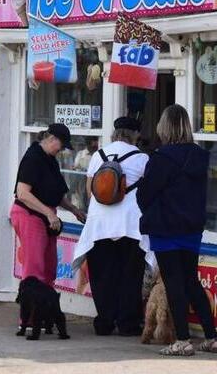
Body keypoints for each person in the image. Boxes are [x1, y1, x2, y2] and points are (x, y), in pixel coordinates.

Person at [137, 104, 217, 356]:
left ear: (165, 126)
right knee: (191, 281)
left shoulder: (161, 159)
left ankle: (182, 340)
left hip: (166, 227)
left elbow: (145, 195)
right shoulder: (200, 156)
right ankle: (212, 337)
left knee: (174, 282)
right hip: (193, 227)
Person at [72, 117, 153, 336]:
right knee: (130, 275)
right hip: (130, 225)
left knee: (102, 275)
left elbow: (90, 191)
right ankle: (127, 324)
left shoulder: (99, 155)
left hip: (100, 225)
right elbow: (149, 192)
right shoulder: (142, 158)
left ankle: (104, 322)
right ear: (135, 135)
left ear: (115, 133)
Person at [10, 123, 86, 288]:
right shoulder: (33, 157)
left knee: (49, 268)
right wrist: (48, 213)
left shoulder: (51, 160)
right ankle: (30, 313)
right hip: (29, 215)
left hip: (46, 217)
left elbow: (56, 194)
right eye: (61, 145)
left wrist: (74, 210)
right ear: (52, 139)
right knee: (34, 270)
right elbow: (22, 193)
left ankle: (46, 308)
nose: (62, 150)